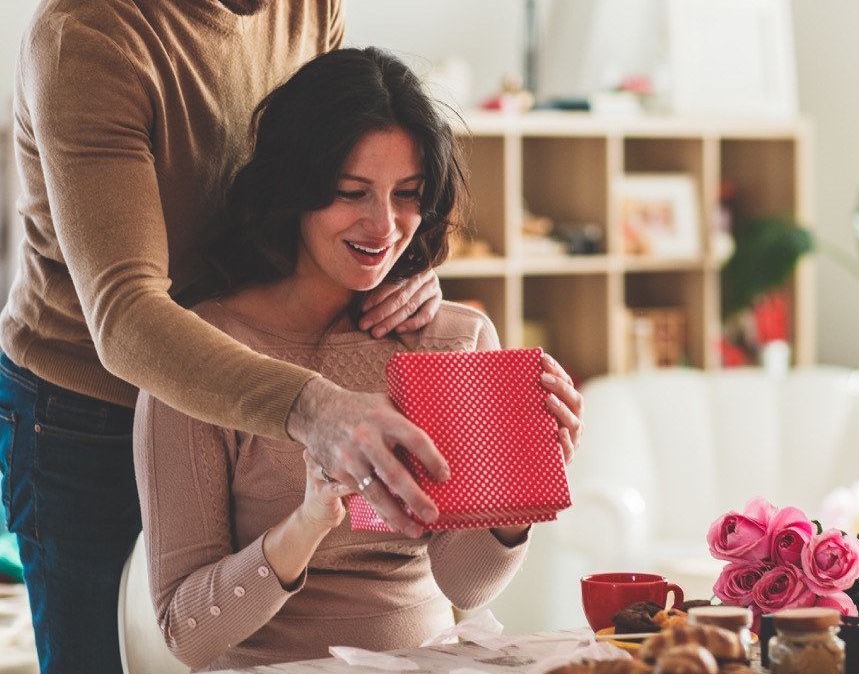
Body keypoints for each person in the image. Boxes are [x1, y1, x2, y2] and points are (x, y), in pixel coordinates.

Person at [0, 0, 586, 671]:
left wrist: (401, 264)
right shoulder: (89, 35)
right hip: (89, 397)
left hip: (265, 343)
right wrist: (317, 410)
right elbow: (127, 318)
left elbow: (333, 138)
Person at [135, 46, 559, 670]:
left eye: (408, 194)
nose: (384, 226)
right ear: (295, 191)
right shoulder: (202, 356)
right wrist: (308, 522)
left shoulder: (455, 337)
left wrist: (520, 489)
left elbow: (467, 586)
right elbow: (186, 633)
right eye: (352, 192)